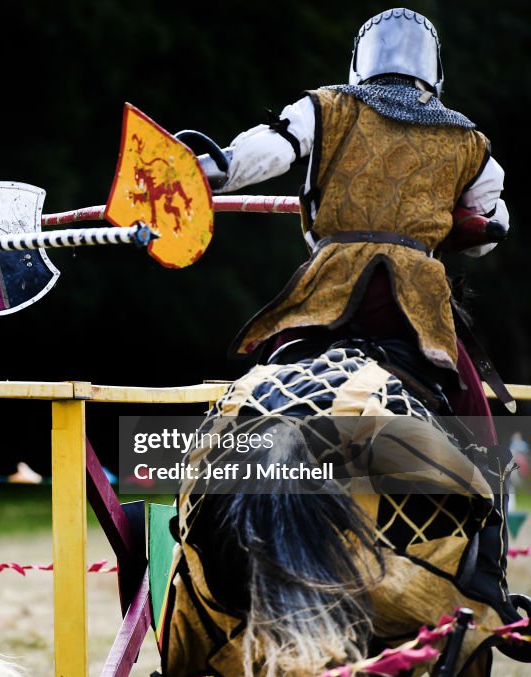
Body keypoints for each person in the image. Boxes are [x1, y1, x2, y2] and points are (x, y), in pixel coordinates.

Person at [193, 7, 509, 445]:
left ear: (361, 62)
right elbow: (487, 231)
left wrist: (197, 171)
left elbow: (264, 152)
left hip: (330, 288)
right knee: (474, 413)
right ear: (434, 72)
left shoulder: (326, 107)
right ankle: (489, 499)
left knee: (261, 385)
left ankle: (212, 489)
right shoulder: (468, 142)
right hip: (414, 303)